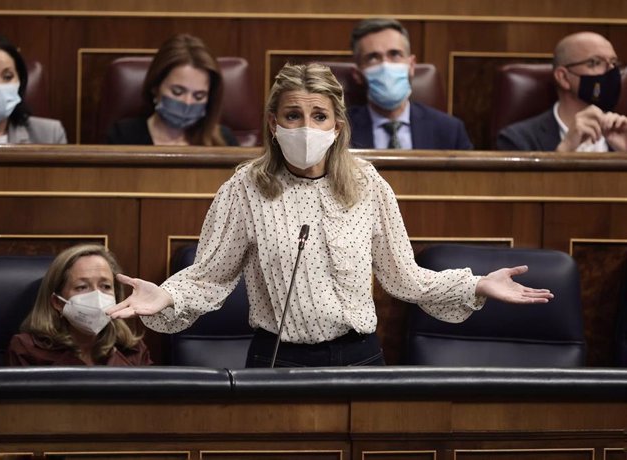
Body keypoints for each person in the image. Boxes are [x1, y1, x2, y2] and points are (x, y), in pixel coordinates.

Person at [107, 63, 552, 368]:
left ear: (336, 125)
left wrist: (476, 284)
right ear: (272, 123)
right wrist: (165, 296)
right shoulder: (246, 187)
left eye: (318, 116)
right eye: (292, 115)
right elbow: (209, 277)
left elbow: (404, 277)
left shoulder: (367, 184)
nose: (305, 126)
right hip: (276, 359)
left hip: (359, 358)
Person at [7, 244, 152, 366]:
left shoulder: (133, 350)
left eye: (106, 286)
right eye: (82, 287)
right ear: (57, 302)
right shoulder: (27, 349)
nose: (97, 296)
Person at [347, 18, 472, 150]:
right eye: (373, 57)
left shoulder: (450, 130)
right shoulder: (340, 129)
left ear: (411, 65)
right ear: (357, 74)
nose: (385, 65)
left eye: (395, 54)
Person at [497, 31, 627, 152]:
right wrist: (565, 150)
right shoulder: (517, 140)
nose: (610, 71)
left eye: (613, 62)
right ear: (563, 77)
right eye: (595, 62)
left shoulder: (622, 132)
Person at [107, 34, 238, 146]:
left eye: (199, 96)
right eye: (177, 92)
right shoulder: (123, 136)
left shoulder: (224, 141)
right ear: (155, 87)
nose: (187, 102)